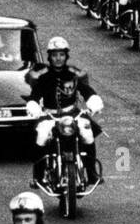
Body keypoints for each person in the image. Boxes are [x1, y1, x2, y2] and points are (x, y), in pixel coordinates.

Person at [25, 36, 104, 187]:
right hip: (49, 115)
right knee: (41, 136)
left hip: (73, 114)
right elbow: (34, 96)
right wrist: (34, 106)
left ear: (66, 56)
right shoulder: (43, 76)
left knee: (87, 133)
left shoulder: (73, 73)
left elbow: (87, 91)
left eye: (61, 54)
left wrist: (93, 102)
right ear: (49, 57)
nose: (58, 58)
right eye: (54, 55)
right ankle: (38, 176)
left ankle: (92, 173)